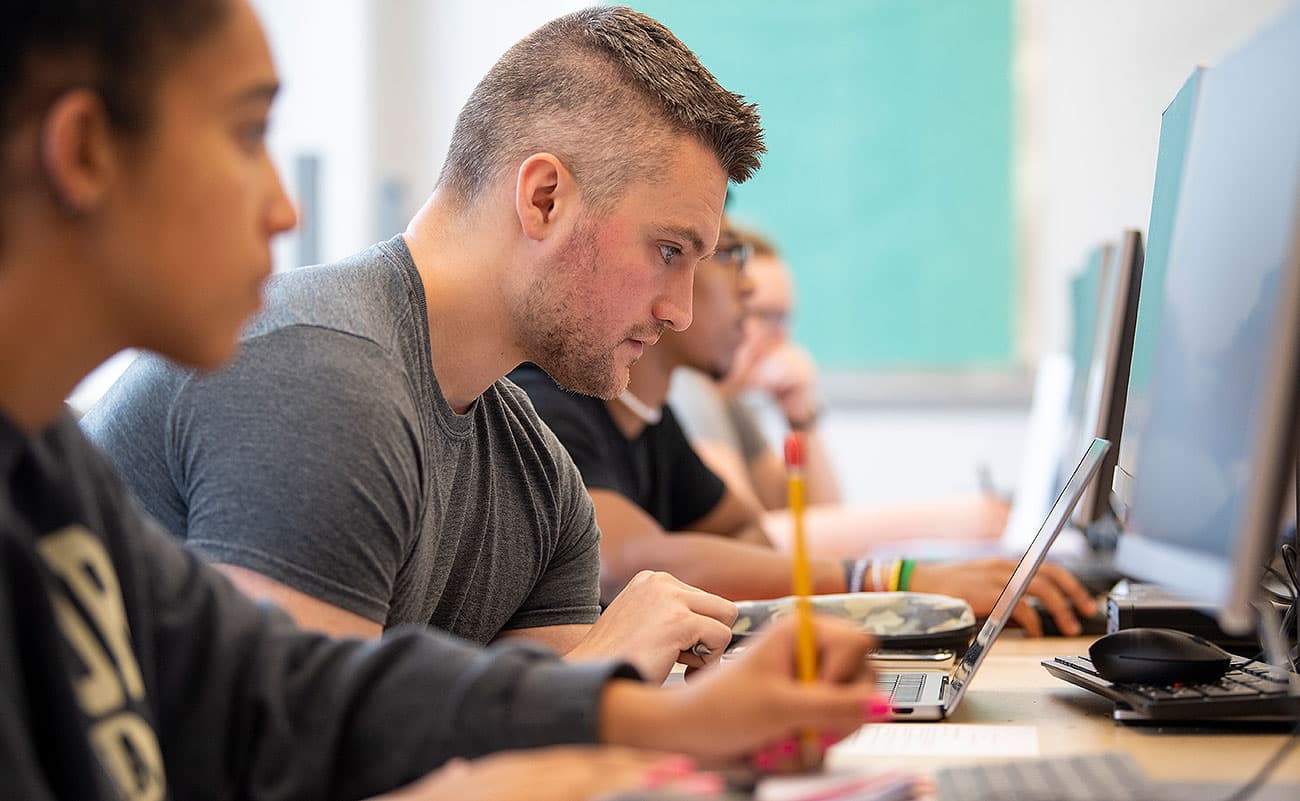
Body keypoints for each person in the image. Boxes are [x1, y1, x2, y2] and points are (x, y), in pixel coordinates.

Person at [0, 2, 882, 798]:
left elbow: (299, 694)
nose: (281, 208)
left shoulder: (44, 461)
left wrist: (675, 725)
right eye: (246, 133)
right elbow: (296, 761)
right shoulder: (318, 372)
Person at [83, 3, 764, 683]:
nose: (679, 310)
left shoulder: (540, 477)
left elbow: (548, 745)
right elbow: (301, 756)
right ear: (545, 199)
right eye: (669, 250)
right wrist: (604, 671)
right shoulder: (319, 378)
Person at [512, 223, 1098, 636]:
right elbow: (630, 560)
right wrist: (888, 580)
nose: (745, 291)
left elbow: (748, 535)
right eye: (726, 254)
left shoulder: (652, 424)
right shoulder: (545, 401)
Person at [669, 227, 1012, 555]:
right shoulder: (689, 389)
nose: (782, 339)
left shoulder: (732, 406)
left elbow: (819, 514)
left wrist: (801, 417)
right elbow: (751, 541)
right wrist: (940, 521)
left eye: (786, 320)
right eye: (766, 316)